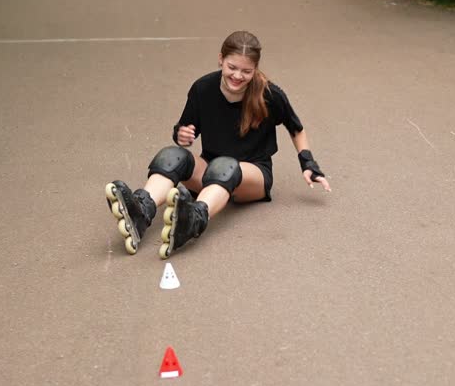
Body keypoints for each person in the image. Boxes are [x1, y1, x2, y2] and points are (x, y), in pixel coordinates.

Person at [105, 31, 331, 260]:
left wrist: (308, 163)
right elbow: (184, 130)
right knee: (173, 156)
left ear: (255, 69)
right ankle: (141, 211)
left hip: (253, 175)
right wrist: (181, 135)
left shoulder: (269, 95)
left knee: (224, 166)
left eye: (246, 71)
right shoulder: (203, 88)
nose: (238, 76)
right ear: (221, 59)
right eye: (232, 67)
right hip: (212, 168)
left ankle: (193, 220)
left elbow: (296, 129)